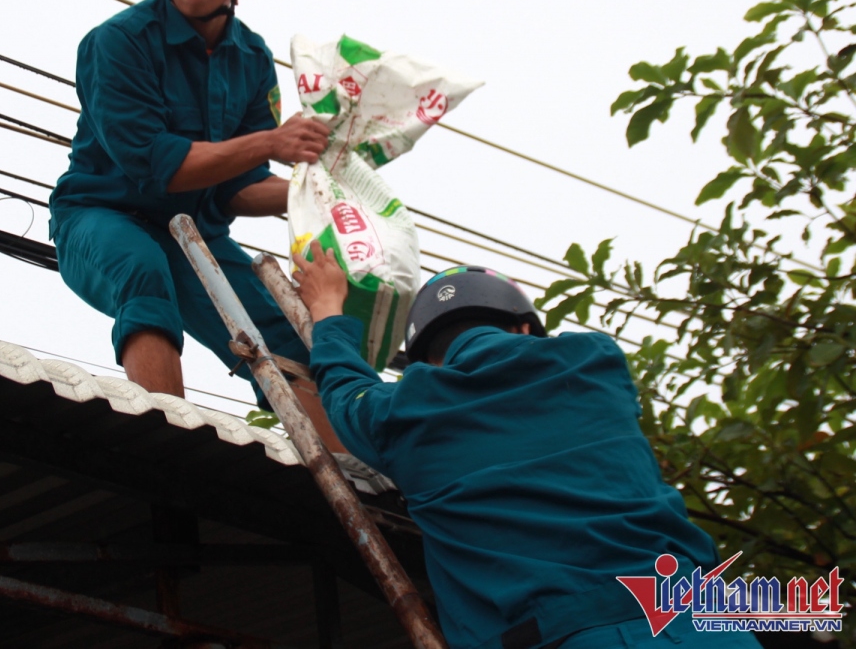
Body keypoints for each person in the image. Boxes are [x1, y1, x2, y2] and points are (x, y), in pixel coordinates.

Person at [292, 242, 761, 648]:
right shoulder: (598, 362)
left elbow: (344, 390)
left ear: (429, 361)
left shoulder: (401, 414)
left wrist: (328, 308)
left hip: (550, 637)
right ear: (522, 327)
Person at [49, 0, 341, 444]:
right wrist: (270, 143)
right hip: (101, 215)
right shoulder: (118, 43)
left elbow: (237, 190)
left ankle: (355, 476)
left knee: (278, 327)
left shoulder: (252, 59)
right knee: (143, 271)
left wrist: (321, 192)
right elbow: (157, 167)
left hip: (196, 235)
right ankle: (167, 446)